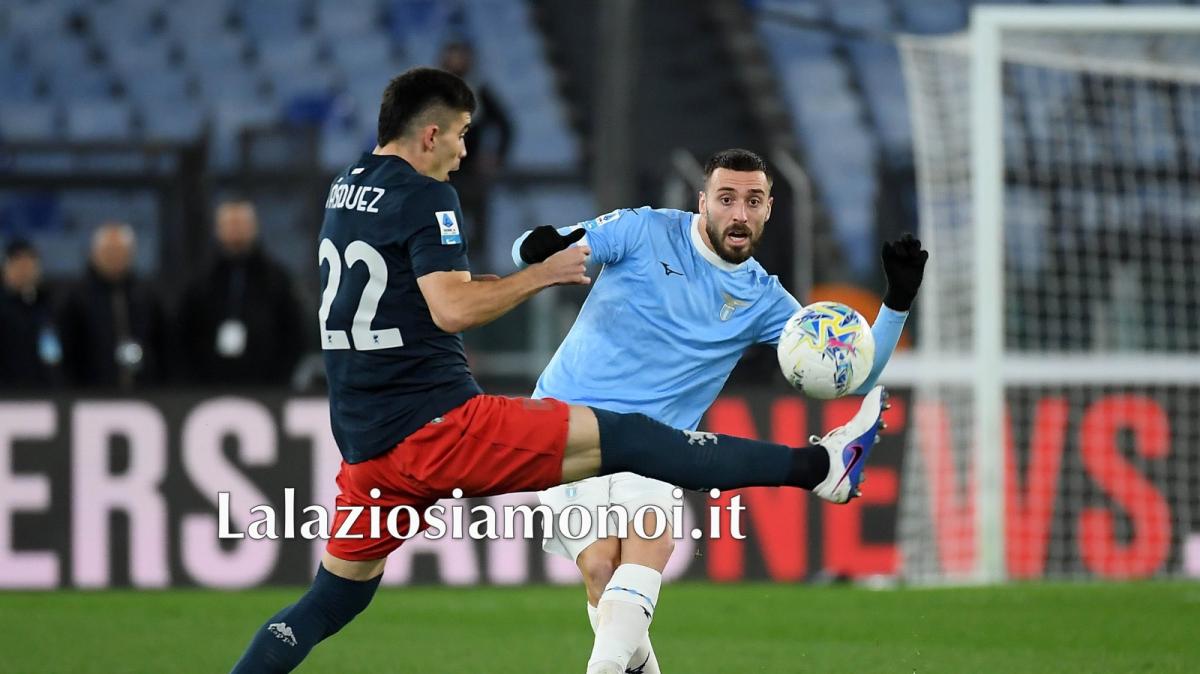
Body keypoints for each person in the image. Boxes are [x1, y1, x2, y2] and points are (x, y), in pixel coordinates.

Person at [230, 69, 888, 673]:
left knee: (328, 604)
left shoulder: (348, 187)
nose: (465, 151)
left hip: (367, 447)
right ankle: (820, 469)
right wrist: (537, 275)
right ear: (429, 134)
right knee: (635, 439)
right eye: (460, 136)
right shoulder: (428, 198)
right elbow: (453, 308)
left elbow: (420, 294)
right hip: (441, 428)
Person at [511, 148, 929, 674]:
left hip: (654, 447)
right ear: (703, 201)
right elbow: (528, 250)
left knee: (639, 553)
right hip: (566, 420)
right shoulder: (644, 230)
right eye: (727, 199)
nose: (739, 213)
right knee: (600, 566)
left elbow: (856, 376)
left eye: (753, 201)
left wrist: (896, 303)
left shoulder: (764, 299)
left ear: (769, 209)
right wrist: (539, 246)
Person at [177, 199, 304, 386]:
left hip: (267, 386)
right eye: (230, 224)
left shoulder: (276, 278)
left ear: (254, 227)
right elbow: (184, 334)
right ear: (218, 229)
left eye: (241, 224)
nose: (235, 230)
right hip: (207, 386)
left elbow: (294, 333)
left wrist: (279, 379)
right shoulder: (200, 280)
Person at [57, 222, 167, 389]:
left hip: (145, 392)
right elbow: (68, 352)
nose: (114, 257)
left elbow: (163, 346)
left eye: (120, 251)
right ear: (94, 254)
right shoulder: (76, 299)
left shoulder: (146, 297)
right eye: (108, 251)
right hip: (91, 394)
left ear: (131, 254)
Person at [439, 39, 511, 266]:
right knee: (445, 234)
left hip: (471, 177)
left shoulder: (478, 91)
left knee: (478, 238)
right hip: (443, 178)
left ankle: (477, 284)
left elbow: (505, 125)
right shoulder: (433, 94)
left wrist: (495, 157)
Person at [0, 239, 60, 387]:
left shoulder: (50, 305)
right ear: (6, 268)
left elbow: (55, 354)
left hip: (45, 392)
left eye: (29, 264)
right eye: (18, 264)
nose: (24, 270)